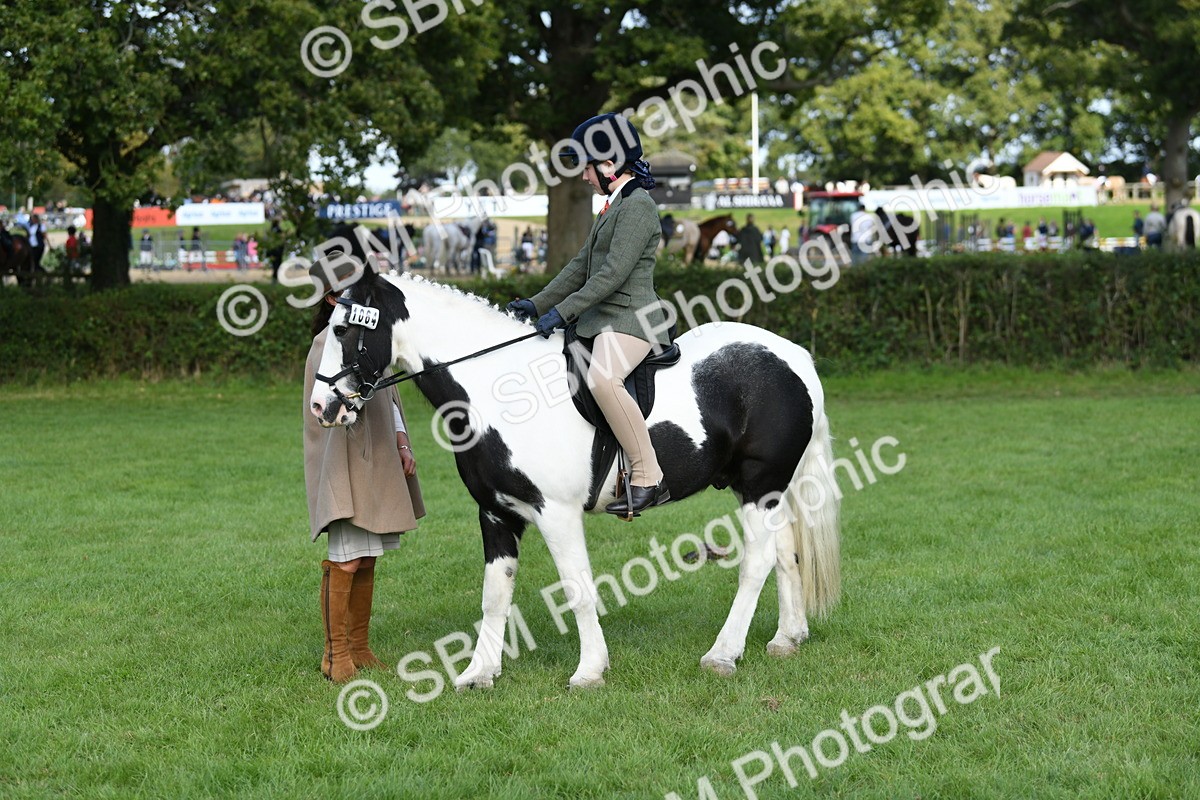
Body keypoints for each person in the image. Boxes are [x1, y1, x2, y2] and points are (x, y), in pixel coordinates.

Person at [505, 112, 671, 517]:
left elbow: (612, 275)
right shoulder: (614, 205)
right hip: (602, 318)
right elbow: (582, 265)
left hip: (631, 317)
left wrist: (562, 313)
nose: (583, 176)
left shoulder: (639, 207)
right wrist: (538, 303)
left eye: (586, 167)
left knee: (602, 377)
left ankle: (649, 475)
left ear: (610, 165)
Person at [303, 258, 424, 683]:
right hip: (347, 463)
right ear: (334, 299)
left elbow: (389, 399)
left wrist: (402, 441)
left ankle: (359, 645)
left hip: (379, 459)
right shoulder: (327, 343)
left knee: (368, 558)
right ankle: (335, 654)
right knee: (347, 560)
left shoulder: (369, 339)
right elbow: (324, 417)